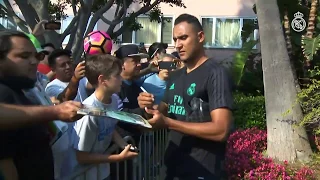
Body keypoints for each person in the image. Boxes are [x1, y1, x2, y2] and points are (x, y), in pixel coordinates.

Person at [137, 13, 234, 180]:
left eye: (183, 38)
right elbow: (160, 116)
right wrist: (147, 108)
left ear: (201, 37)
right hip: (170, 168)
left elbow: (221, 130)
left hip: (202, 171)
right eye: (175, 40)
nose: (178, 45)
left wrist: (169, 123)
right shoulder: (176, 76)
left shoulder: (215, 73)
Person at [69, 54, 138, 180]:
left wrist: (123, 144)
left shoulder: (113, 101)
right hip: (84, 175)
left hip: (102, 172)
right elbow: (81, 156)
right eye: (117, 75)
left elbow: (109, 127)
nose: (121, 79)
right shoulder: (88, 113)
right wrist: (117, 158)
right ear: (102, 80)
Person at [0, 29, 56, 179]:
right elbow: (6, 164)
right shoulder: (3, 94)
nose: (34, 61)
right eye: (24, 56)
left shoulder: (21, 91)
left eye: (36, 56)